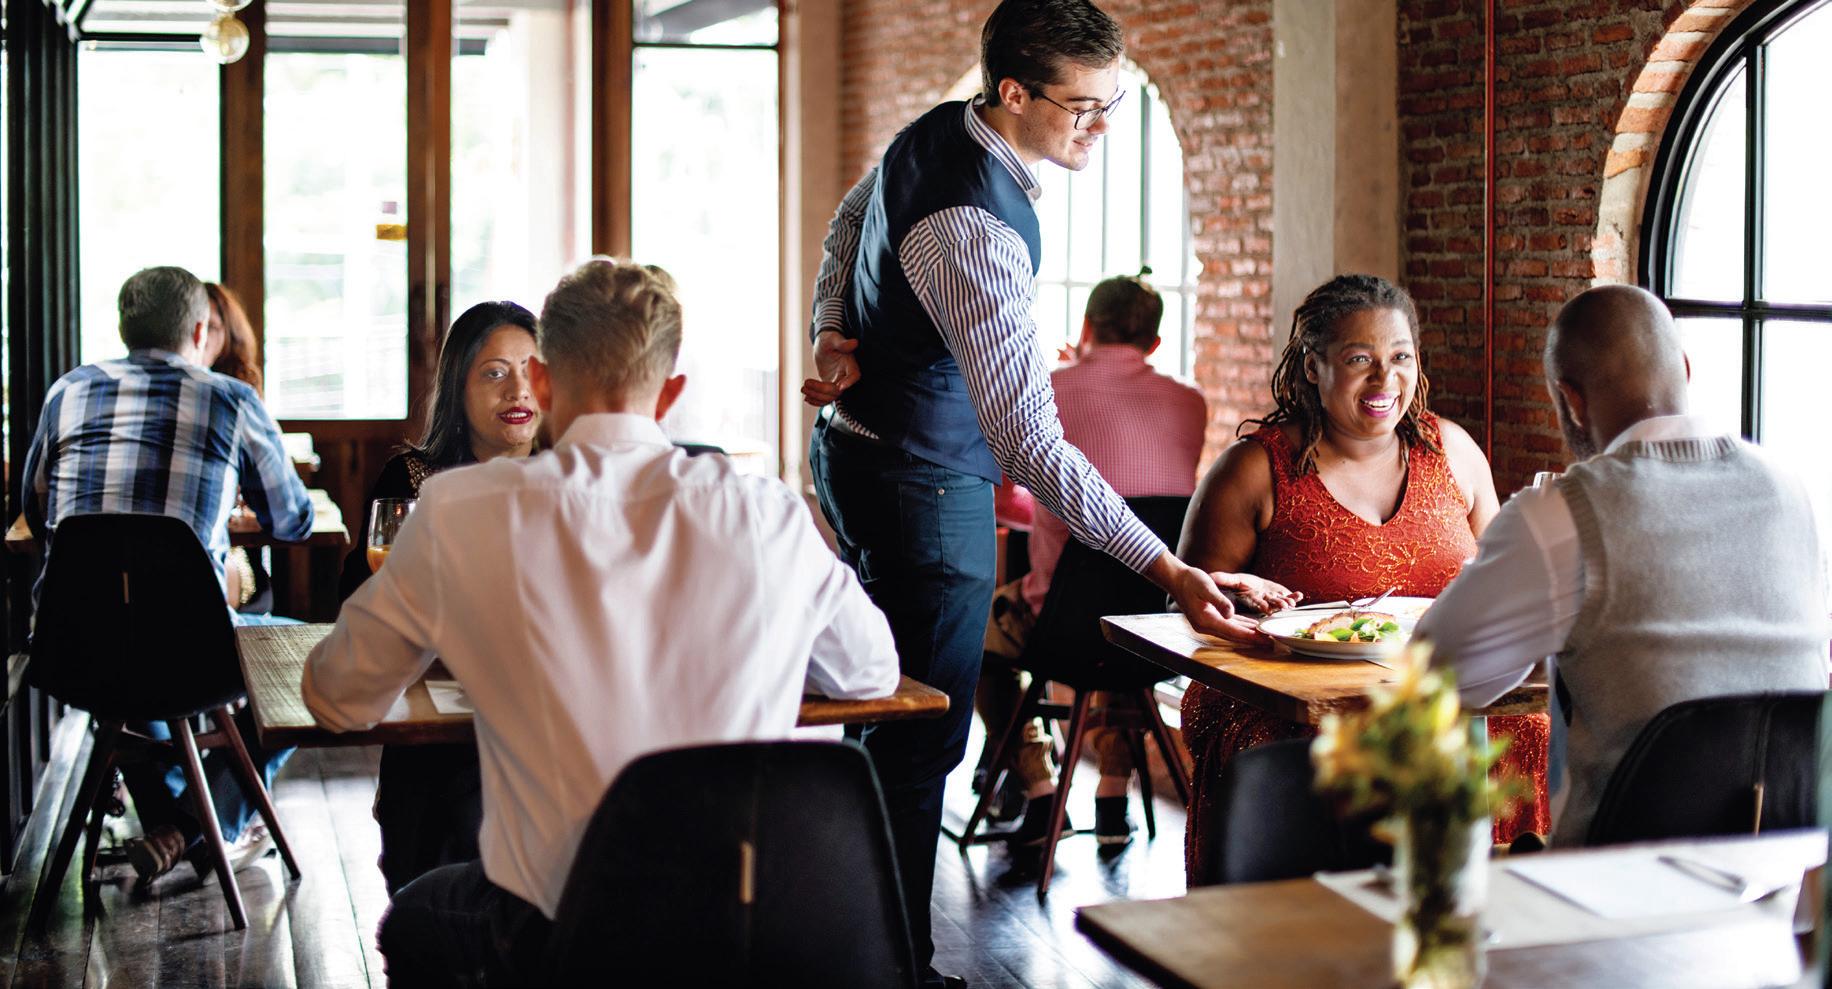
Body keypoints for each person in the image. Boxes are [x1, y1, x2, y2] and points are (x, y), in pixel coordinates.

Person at [801, 4, 1285, 977]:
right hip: (922, 488)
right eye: (1083, 108)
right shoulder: (975, 232)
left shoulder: (937, 132)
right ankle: (894, 969)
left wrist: (829, 327)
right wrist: (1166, 567)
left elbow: (852, 215)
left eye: (1113, 103)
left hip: (850, 452)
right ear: (1013, 94)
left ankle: (856, 950)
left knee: (882, 714)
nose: (1100, 127)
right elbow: (1028, 442)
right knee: (919, 743)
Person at [302, 259, 900, 987]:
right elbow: (872, 671)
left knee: (412, 918)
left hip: (568, 941)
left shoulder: (459, 511)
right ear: (670, 392)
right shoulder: (768, 513)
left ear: (544, 381)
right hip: (760, 924)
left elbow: (338, 696)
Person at [1417, 284, 1831, 844]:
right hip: (1786, 868)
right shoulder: (1791, 489)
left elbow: (1434, 672)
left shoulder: (1563, 514)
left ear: (1571, 401)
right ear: (1686, 369)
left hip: (1619, 876)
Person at [1176, 273, 1547, 884]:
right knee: (1296, 747)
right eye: (1358, 360)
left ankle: (1501, 911)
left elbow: (1501, 581)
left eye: (1400, 358)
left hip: (1437, 686)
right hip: (1287, 701)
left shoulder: (1452, 452)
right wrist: (1232, 594)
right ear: (1313, 367)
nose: (1384, 379)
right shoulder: (1255, 469)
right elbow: (1186, 607)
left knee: (1529, 725)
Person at [22, 265, 315, 882]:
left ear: (123, 328)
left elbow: (36, 507)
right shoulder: (232, 400)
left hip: (69, 645)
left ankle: (174, 827)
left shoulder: (67, 391)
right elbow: (292, 522)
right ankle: (195, 827)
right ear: (202, 329)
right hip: (191, 651)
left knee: (129, 671)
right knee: (315, 661)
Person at [977, 272, 1207, 849]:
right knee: (1122, 614)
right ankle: (1111, 794)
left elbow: (1010, 496)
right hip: (1156, 627)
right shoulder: (1191, 402)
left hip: (1061, 627)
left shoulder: (1047, 392)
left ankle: (1039, 788)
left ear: (1085, 326)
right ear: (1155, 342)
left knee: (974, 640)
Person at [335, 300, 540, 895]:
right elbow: (359, 602)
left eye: (532, 369)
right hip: (441, 730)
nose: (517, 390)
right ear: (459, 387)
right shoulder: (414, 481)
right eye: (494, 373)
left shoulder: (575, 478)